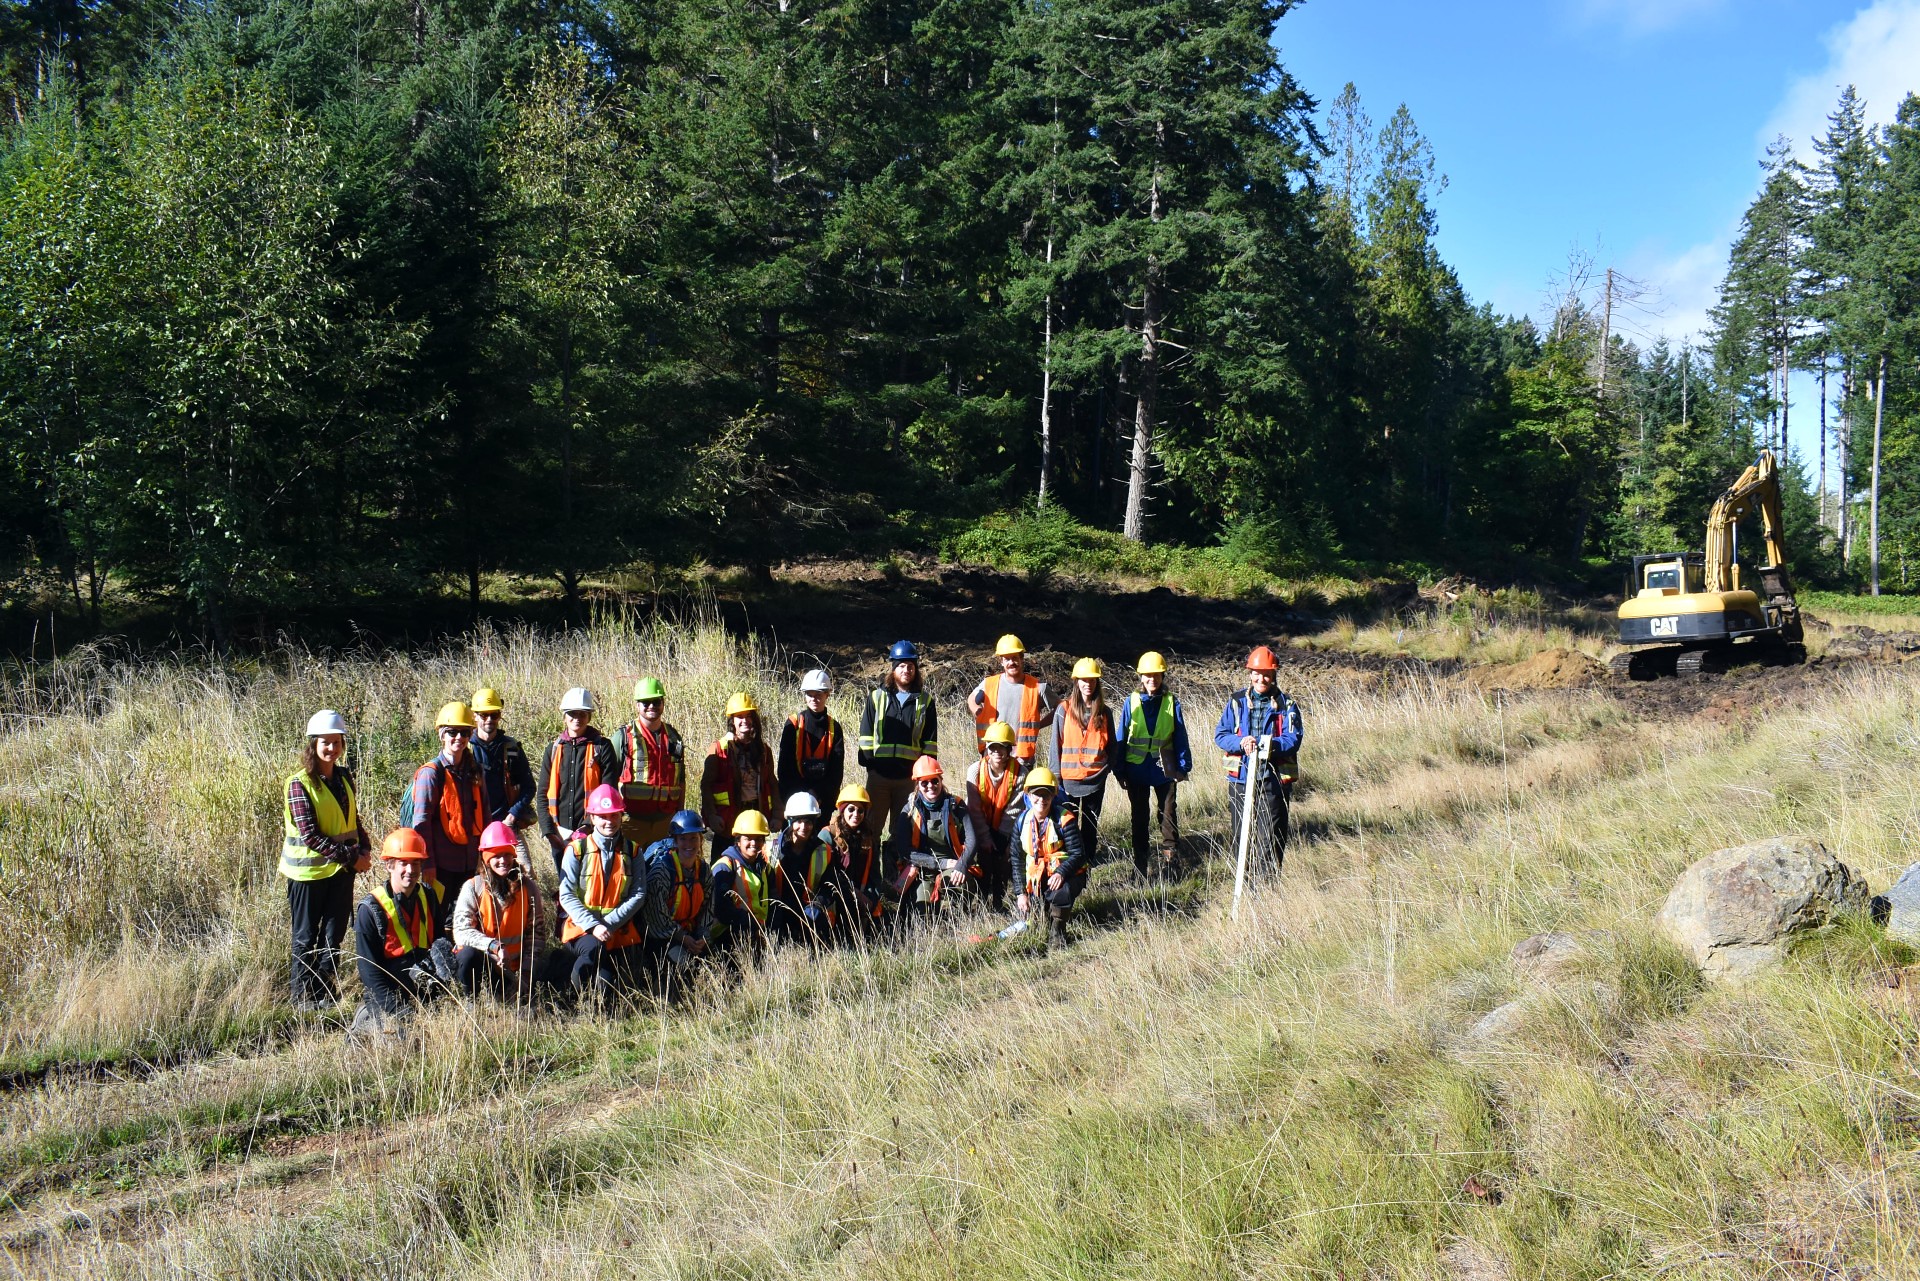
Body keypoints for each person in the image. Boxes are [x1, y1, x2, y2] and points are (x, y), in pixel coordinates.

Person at [281, 709, 372, 1010]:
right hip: (308, 876)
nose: (332, 748)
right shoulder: (299, 784)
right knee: (306, 938)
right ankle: (301, 997)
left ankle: (323, 991)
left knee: (333, 936)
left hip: (340, 873)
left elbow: (353, 820)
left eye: (337, 742)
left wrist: (365, 848)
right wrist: (352, 859)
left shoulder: (344, 777)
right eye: (325, 742)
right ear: (313, 744)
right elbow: (310, 836)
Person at [1214, 646, 1303, 875]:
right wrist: (1241, 743)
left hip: (1272, 780)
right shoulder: (1236, 702)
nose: (1261, 678)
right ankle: (1243, 884)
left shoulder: (1287, 705)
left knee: (1271, 836)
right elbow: (1221, 735)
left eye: (1266, 673)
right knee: (1241, 834)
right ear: (1250, 673)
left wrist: (1270, 746)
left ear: (1274, 675)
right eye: (1256, 673)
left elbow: (1293, 738)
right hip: (1241, 780)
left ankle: (1266, 888)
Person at [353, 829, 456, 1029]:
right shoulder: (370, 909)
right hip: (387, 990)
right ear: (389, 865)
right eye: (404, 863)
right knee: (399, 1039)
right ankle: (365, 1022)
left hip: (422, 984)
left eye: (415, 862)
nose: (410, 870)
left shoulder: (429, 895)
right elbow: (369, 973)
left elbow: (439, 941)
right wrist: (397, 1010)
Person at [556, 784, 647, 999]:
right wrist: (593, 925)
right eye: (603, 816)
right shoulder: (576, 850)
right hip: (582, 930)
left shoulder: (633, 851)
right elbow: (566, 894)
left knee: (607, 988)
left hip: (616, 931)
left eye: (614, 815)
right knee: (592, 952)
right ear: (592, 818)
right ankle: (570, 997)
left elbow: (638, 894)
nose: (609, 821)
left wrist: (609, 923)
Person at [1113, 651, 1194, 877]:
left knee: (1168, 814)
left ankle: (1171, 862)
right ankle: (1140, 864)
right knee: (1139, 817)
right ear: (1140, 677)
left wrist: (1183, 766)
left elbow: (1180, 735)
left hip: (1163, 768)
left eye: (1157, 675)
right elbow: (1121, 735)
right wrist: (1119, 770)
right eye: (1148, 675)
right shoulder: (1131, 701)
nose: (1152, 679)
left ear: (1162, 676)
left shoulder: (1171, 702)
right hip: (1136, 768)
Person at [408, 701, 487, 926]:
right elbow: (420, 824)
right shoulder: (431, 774)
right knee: (438, 921)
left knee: (469, 920)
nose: (458, 738)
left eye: (464, 732)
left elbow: (486, 816)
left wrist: (485, 857)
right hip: (441, 867)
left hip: (471, 864)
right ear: (442, 734)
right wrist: (428, 864)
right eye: (452, 732)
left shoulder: (475, 770)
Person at [858, 640, 940, 848]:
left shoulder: (925, 702)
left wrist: (923, 776)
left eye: (910, 665)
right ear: (893, 668)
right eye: (901, 665)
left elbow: (930, 743)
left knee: (901, 832)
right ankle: (871, 878)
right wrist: (872, 767)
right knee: (870, 831)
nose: (906, 670)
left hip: (907, 779)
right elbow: (866, 735)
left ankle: (895, 879)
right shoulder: (876, 697)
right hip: (879, 778)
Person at [450, 821, 543, 1003]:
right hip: (486, 966)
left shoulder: (529, 888)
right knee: (466, 954)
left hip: (516, 971)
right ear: (486, 858)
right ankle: (472, 1003)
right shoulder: (473, 887)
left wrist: (524, 978)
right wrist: (494, 946)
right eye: (496, 855)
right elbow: (460, 932)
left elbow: (537, 938)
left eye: (508, 854)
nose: (503, 861)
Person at [536, 687, 619, 878]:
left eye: (582, 713)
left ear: (589, 716)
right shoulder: (553, 749)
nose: (577, 718)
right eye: (572, 713)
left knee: (590, 884)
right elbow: (542, 794)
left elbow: (608, 793)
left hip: (593, 833)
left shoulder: (602, 747)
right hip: (558, 834)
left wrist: (587, 827)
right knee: (565, 887)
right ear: (564, 716)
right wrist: (550, 833)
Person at [891, 755, 979, 916]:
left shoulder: (956, 805)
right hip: (923, 868)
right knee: (921, 914)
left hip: (954, 865)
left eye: (934, 781)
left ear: (941, 781)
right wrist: (941, 863)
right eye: (924, 782)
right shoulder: (909, 810)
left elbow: (972, 840)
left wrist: (962, 865)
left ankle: (961, 921)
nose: (930, 786)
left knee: (958, 888)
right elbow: (905, 850)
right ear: (917, 784)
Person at [1012, 768, 1091, 947]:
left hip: (1067, 874)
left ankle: (1058, 931)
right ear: (1028, 795)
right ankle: (1045, 917)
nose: (1042, 800)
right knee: (1033, 917)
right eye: (1037, 795)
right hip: (1037, 877)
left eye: (1046, 795)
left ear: (1053, 795)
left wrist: (1061, 873)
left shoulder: (1065, 819)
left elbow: (1078, 853)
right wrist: (1020, 893)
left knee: (1060, 894)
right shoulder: (1021, 821)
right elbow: (1016, 859)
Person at [639, 810, 713, 997]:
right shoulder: (661, 871)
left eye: (693, 839)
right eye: (683, 839)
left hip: (691, 935)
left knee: (710, 966)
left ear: (700, 840)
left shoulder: (703, 871)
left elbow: (708, 908)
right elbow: (656, 917)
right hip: (662, 937)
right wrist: (682, 938)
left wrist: (702, 936)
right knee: (686, 966)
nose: (689, 845)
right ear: (675, 841)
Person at [1052, 658, 1114, 861]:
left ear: (1097, 682)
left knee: (1090, 826)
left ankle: (1087, 863)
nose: (1088, 683)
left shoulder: (1105, 713)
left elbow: (1112, 745)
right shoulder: (1064, 710)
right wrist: (1055, 778)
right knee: (1068, 825)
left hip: (1096, 780)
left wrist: (1110, 769)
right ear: (1076, 682)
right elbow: (1056, 745)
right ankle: (1069, 863)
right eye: (1083, 680)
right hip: (1069, 781)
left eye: (1092, 679)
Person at [615, 678, 686, 851]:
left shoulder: (674, 736)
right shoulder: (623, 737)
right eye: (646, 702)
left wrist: (679, 814)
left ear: (663, 703)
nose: (651, 706)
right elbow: (607, 780)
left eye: (656, 701)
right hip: (632, 822)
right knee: (630, 872)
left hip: (666, 822)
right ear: (637, 705)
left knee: (662, 872)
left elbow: (680, 779)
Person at [964, 722, 1025, 913]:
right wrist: (985, 838)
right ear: (987, 749)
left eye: (1002, 747)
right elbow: (973, 809)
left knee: (1002, 859)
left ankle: (999, 899)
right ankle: (982, 899)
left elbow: (1014, 811)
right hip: (979, 823)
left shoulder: (1021, 773)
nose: (997, 752)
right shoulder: (974, 770)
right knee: (983, 857)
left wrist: (1000, 841)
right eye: (993, 747)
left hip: (1006, 827)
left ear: (1009, 749)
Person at [701, 691, 779, 839]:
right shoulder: (718, 749)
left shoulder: (764, 750)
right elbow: (706, 787)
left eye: (749, 716)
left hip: (756, 817)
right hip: (728, 822)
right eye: (740, 717)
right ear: (732, 721)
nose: (745, 720)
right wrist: (712, 816)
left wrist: (777, 816)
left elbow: (772, 783)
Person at [967, 634, 1053, 765]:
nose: (1011, 662)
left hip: (1022, 760)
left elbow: (1061, 708)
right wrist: (979, 713)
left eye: (1015, 658)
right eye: (1007, 659)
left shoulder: (1037, 688)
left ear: (1022, 658)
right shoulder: (989, 684)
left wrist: (1039, 724)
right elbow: (971, 699)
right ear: (1001, 661)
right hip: (993, 757)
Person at [821, 783, 891, 942]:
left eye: (861, 810)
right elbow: (827, 876)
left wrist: (871, 899)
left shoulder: (869, 838)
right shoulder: (827, 836)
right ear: (842, 810)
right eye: (851, 809)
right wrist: (855, 894)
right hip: (834, 895)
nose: (856, 814)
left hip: (861, 895)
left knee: (882, 919)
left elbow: (874, 875)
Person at [469, 688, 536, 840]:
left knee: (525, 865)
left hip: (507, 825)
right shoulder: (465, 749)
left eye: (494, 714)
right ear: (475, 716)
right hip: (475, 828)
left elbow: (529, 786)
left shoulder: (511, 747)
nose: (489, 719)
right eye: (484, 715)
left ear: (500, 716)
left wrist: (512, 817)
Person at [709, 809, 775, 964]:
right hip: (727, 934)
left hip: (757, 931)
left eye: (759, 838)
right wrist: (751, 924)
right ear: (738, 840)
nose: (754, 843)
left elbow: (773, 902)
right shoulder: (725, 867)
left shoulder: (766, 868)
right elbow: (721, 909)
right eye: (748, 838)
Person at [767, 792, 833, 944]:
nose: (804, 827)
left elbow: (829, 886)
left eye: (808, 822)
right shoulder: (771, 849)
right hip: (779, 910)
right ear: (790, 821)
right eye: (799, 821)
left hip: (809, 911)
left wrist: (818, 904)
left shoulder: (823, 850)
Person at [776, 669, 845, 807]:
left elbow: (836, 773)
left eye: (818, 694)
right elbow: (784, 769)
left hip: (823, 800)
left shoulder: (834, 728)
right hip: (794, 798)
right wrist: (803, 796)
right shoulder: (793, 725)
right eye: (810, 694)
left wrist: (817, 794)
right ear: (805, 696)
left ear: (827, 694)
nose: (814, 699)